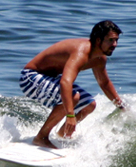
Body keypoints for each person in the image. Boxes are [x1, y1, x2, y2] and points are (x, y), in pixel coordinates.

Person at [19, 20, 126, 149]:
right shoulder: (82, 52)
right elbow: (65, 82)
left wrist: (121, 106)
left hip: (50, 78)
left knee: (89, 105)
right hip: (30, 77)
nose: (115, 44)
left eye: (116, 40)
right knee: (73, 97)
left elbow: (104, 83)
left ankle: (62, 134)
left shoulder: (100, 58)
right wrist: (70, 115)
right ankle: (41, 138)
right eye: (110, 40)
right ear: (98, 40)